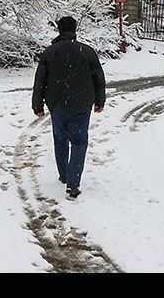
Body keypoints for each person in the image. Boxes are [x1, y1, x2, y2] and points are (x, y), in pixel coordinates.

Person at [32, 16, 106, 201]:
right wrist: (100, 101)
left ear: (58, 30)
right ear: (75, 29)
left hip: (57, 106)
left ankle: (64, 175)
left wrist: (37, 105)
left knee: (60, 140)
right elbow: (99, 78)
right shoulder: (87, 52)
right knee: (79, 142)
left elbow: (39, 81)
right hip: (81, 105)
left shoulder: (50, 52)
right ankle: (73, 184)